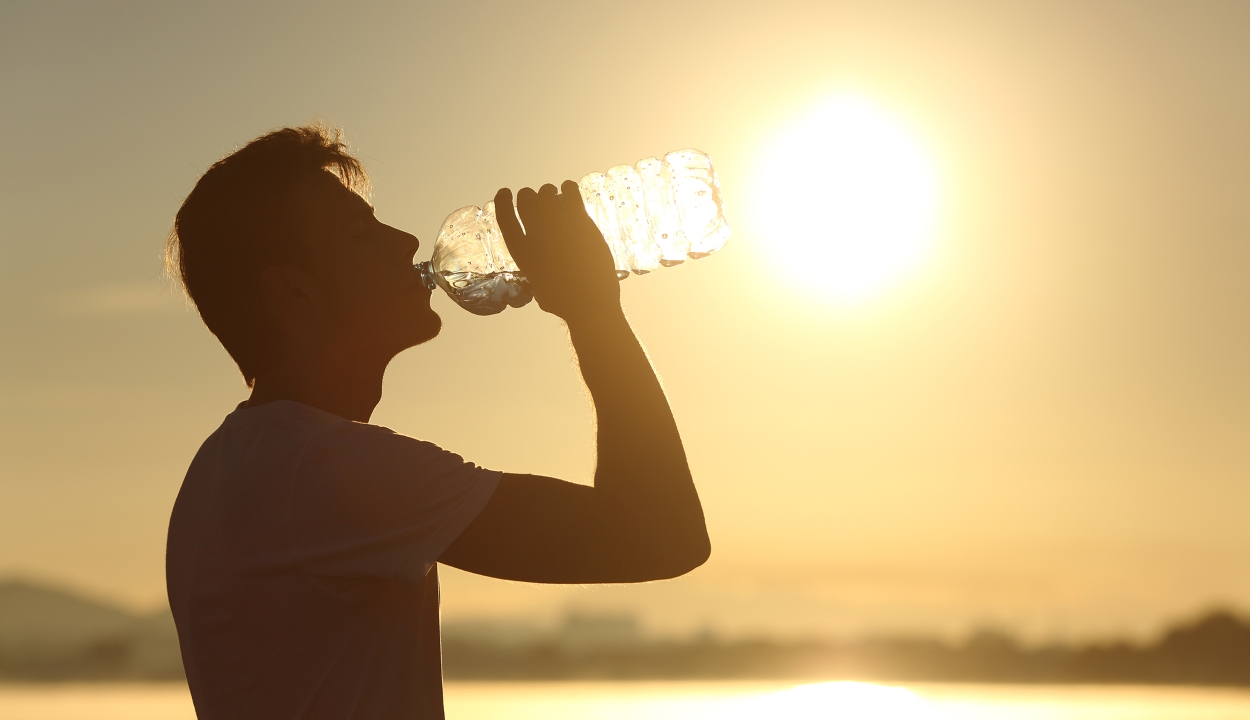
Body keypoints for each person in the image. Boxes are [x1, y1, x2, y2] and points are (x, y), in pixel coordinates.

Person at [163, 124, 711, 720]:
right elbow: (660, 536)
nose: (404, 241)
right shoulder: (321, 470)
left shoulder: (232, 465)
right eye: (361, 233)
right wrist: (593, 310)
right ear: (294, 289)